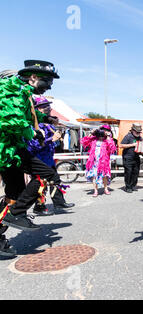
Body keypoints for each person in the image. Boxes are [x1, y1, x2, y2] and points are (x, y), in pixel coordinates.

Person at [0, 60, 70, 256]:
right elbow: (10, 120)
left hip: (12, 149)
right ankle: (17, 214)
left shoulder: (24, 93)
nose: (49, 86)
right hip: (8, 148)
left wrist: (46, 120)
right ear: (33, 77)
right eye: (47, 82)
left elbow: (28, 115)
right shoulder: (11, 88)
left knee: (15, 194)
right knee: (46, 174)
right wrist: (36, 134)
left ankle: (5, 227)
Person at [27, 96, 74, 215]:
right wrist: (51, 139)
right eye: (44, 106)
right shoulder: (34, 125)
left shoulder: (49, 124)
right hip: (39, 160)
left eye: (48, 105)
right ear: (38, 110)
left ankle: (59, 202)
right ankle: (39, 207)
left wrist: (57, 139)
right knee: (40, 183)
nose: (48, 108)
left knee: (55, 181)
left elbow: (53, 142)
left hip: (49, 159)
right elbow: (34, 145)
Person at [81, 127, 117, 197]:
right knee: (94, 176)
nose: (101, 135)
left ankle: (106, 189)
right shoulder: (93, 139)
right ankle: (95, 190)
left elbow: (112, 148)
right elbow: (84, 142)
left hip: (104, 161)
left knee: (104, 176)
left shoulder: (106, 140)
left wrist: (108, 137)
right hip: (94, 161)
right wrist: (91, 133)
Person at [119, 123, 143, 193]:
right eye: (137, 132)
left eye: (139, 132)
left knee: (135, 172)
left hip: (136, 157)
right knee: (128, 173)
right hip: (128, 157)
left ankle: (133, 186)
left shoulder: (140, 138)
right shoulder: (128, 136)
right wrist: (133, 145)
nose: (138, 133)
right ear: (132, 130)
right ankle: (128, 187)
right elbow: (121, 145)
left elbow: (142, 146)